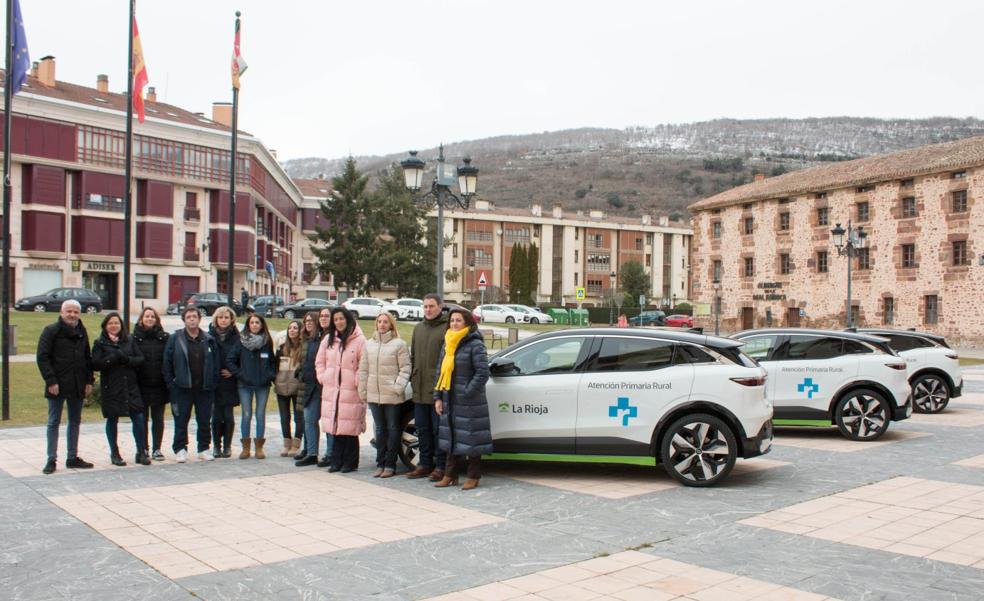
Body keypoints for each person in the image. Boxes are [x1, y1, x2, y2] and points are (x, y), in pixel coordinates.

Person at [433, 306, 491, 490]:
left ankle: (474, 475)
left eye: (458, 320)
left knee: (471, 438)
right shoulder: (448, 343)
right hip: (448, 397)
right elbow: (439, 372)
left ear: (467, 322)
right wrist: (438, 397)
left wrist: (466, 392)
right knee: (451, 436)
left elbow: (482, 373)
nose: (454, 323)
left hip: (469, 400)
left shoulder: (475, 344)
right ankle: (450, 475)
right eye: (452, 320)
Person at [37, 300, 95, 474]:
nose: (72, 315)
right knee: (54, 422)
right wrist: (51, 381)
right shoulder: (50, 331)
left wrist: (89, 381)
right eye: (69, 311)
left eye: (76, 312)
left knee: (75, 421)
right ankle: (51, 459)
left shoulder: (81, 331)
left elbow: (87, 358)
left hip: (77, 383)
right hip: (57, 384)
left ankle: (72, 457)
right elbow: (42, 357)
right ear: (62, 312)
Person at [91, 312, 149, 467]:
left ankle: (141, 451)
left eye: (116, 323)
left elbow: (140, 359)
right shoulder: (100, 343)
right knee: (112, 419)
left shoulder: (129, 340)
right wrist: (112, 358)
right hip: (111, 386)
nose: (114, 326)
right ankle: (115, 453)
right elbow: (95, 364)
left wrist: (126, 359)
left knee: (138, 417)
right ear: (105, 326)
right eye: (110, 323)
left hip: (130, 385)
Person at [162, 306, 219, 463]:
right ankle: (180, 449)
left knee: (204, 419)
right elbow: (167, 362)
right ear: (184, 320)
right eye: (189, 317)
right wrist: (171, 382)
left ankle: (204, 448)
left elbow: (216, 363)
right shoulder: (176, 338)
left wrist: (213, 382)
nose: (192, 319)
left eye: (195, 316)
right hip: (182, 388)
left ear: (200, 319)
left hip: (204, 388)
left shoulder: (208, 339)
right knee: (181, 420)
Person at [358, 312, 410, 478]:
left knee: (393, 428)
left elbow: (405, 368)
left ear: (391, 325)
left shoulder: (399, 344)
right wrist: (363, 390)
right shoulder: (369, 344)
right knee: (380, 430)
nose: (382, 324)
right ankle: (380, 463)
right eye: (379, 321)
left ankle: (390, 464)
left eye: (385, 322)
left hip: (392, 395)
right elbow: (364, 370)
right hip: (374, 395)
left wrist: (397, 387)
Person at [317, 307, 366, 473]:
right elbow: (320, 361)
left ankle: (350, 462)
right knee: (335, 425)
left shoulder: (359, 340)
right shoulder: (329, 339)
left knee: (350, 427)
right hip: (332, 389)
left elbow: (363, 364)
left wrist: (356, 380)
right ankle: (336, 461)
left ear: (348, 319)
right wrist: (323, 376)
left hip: (350, 388)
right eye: (335, 319)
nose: (338, 322)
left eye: (341, 319)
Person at [406, 293, 448, 481]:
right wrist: (413, 377)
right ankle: (424, 464)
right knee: (422, 429)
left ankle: (440, 466)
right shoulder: (418, 329)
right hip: (419, 388)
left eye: (431, 306)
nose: (428, 310)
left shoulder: (446, 328)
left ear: (440, 306)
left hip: (437, 389)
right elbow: (413, 355)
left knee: (438, 430)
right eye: (425, 307)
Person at [229, 313, 276, 459]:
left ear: (262, 325)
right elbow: (230, 360)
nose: (254, 325)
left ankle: (259, 447)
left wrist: (270, 375)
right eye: (252, 323)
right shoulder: (241, 341)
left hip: (263, 384)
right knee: (246, 414)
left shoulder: (267, 342)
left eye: (257, 322)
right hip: (245, 384)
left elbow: (273, 362)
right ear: (248, 325)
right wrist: (241, 374)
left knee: (260, 415)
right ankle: (245, 447)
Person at [131, 307, 170, 461]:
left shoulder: (164, 338)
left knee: (158, 418)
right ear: (141, 319)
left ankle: (157, 448)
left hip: (159, 384)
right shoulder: (133, 338)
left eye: (152, 316)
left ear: (157, 320)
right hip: (141, 385)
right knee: (142, 419)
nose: (149, 319)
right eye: (146, 316)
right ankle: (143, 448)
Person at [296, 309, 329, 467]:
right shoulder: (311, 339)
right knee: (309, 420)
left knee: (328, 422)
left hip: (325, 385)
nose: (309, 323)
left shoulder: (329, 338)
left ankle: (330, 454)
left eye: (312, 320)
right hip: (310, 385)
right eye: (306, 321)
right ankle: (311, 453)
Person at [209, 306, 241, 458]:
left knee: (228, 415)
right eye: (220, 317)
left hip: (230, 381)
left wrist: (233, 371)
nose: (223, 320)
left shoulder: (237, 337)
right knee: (216, 416)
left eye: (226, 317)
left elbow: (241, 359)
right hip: (215, 381)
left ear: (231, 320)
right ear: (216, 319)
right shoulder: (209, 336)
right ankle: (216, 445)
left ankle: (227, 446)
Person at [275, 320, 305, 457]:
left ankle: (296, 444)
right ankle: (286, 442)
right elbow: (274, 366)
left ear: (300, 331)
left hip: (297, 387)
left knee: (299, 417)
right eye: (290, 328)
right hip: (282, 386)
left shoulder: (303, 348)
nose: (292, 330)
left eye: (295, 328)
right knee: (284, 416)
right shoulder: (281, 348)